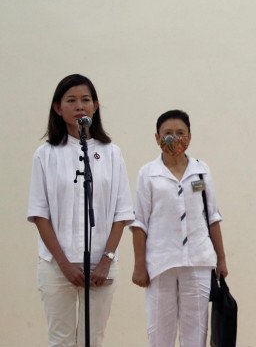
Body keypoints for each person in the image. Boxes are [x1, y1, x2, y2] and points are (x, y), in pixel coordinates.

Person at [27, 74, 134, 347]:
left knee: (93, 339)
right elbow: (40, 214)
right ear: (57, 108)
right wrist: (64, 264)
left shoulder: (111, 152)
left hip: (101, 265)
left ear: (95, 106)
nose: (79, 106)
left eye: (85, 100)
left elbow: (122, 214)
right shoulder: (46, 154)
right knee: (60, 340)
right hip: (55, 265)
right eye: (71, 100)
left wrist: (106, 261)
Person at [130, 109, 228, 347]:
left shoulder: (201, 170)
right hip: (160, 263)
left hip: (199, 261)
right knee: (159, 333)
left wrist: (221, 259)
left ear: (190, 137)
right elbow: (139, 223)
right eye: (168, 133)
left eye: (180, 133)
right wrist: (139, 265)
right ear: (157, 138)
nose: (174, 138)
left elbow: (212, 216)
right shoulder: (148, 173)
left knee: (196, 333)